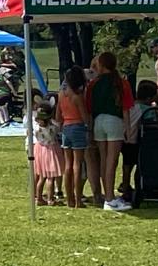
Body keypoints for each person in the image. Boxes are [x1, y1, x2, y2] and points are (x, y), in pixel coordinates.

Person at [86, 52, 132, 211]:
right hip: (114, 121)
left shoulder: (93, 84)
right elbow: (126, 109)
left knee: (104, 160)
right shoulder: (121, 83)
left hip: (98, 121)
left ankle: (108, 195)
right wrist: (128, 129)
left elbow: (90, 108)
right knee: (112, 161)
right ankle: (110, 199)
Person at [56, 67, 92, 209]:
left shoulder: (61, 95)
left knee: (68, 164)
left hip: (66, 128)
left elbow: (58, 116)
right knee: (78, 164)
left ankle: (69, 199)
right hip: (78, 127)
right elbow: (85, 117)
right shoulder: (77, 96)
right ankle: (78, 199)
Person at [31, 104, 63, 206]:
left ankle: (39, 198)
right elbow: (58, 128)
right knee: (50, 177)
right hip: (50, 151)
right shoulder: (52, 128)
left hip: (40, 150)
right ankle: (50, 198)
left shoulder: (36, 128)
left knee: (42, 177)